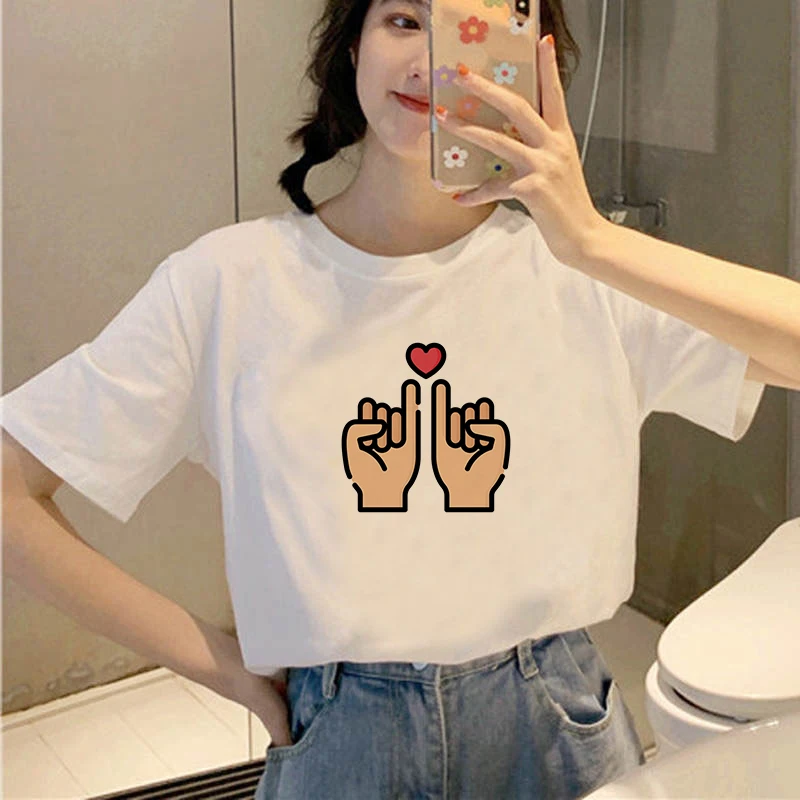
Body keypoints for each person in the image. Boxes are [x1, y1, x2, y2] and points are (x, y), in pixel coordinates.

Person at [3, 0, 800, 797]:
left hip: (556, 725)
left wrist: (590, 240)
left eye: (471, 26)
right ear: (353, 46)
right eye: (405, 20)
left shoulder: (587, 275)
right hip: (340, 736)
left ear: (530, 66)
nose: (430, 62)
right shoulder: (228, 284)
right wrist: (222, 666)